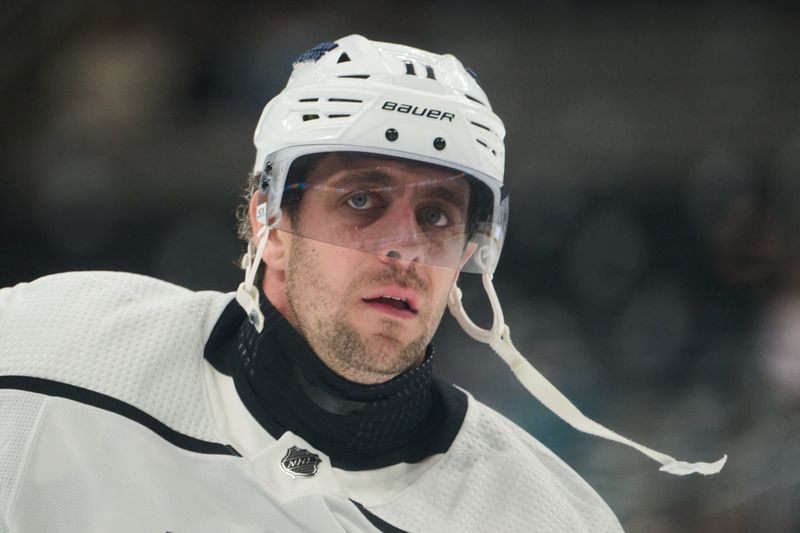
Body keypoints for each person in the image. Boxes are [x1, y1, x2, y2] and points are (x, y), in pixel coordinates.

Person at [0, 35, 724, 532]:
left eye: (437, 215)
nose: (405, 250)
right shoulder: (46, 358)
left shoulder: (541, 518)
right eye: (361, 201)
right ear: (268, 223)